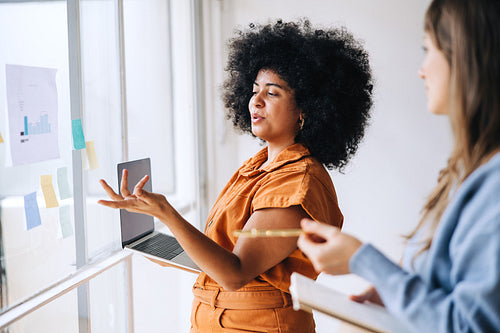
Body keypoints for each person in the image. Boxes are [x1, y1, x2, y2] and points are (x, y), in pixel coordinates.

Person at [99, 19, 373, 332]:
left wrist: (168, 214)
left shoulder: (297, 181)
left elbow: (235, 273)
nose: (255, 101)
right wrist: (163, 245)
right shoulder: (257, 167)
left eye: (272, 93)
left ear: (305, 110)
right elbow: (227, 256)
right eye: (255, 90)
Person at [298, 0, 500, 332]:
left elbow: (470, 325)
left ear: (465, 57)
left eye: (428, 49)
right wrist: (395, 295)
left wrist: (365, 262)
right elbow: (455, 288)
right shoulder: (471, 169)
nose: (421, 69)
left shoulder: (494, 186)